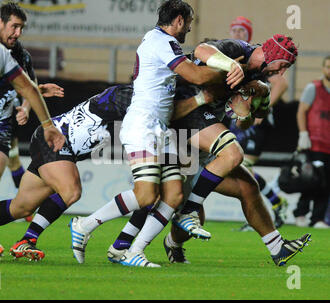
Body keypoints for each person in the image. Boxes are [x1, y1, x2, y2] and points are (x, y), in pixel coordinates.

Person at [107, 34, 312, 267]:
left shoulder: (258, 78)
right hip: (184, 119)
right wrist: (233, 65)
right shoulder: (237, 48)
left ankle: (276, 247)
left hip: (203, 132)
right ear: (271, 54)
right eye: (283, 65)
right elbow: (202, 49)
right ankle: (113, 238)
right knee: (229, 156)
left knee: (247, 187)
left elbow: (248, 120)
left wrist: (252, 106)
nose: (282, 73)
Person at [68, 0, 245, 268]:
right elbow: (195, 76)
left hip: (160, 129)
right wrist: (229, 68)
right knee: (146, 196)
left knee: (173, 196)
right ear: (177, 20)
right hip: (142, 125)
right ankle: (86, 224)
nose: (188, 30)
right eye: (187, 23)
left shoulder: (166, 43)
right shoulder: (158, 40)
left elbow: (193, 75)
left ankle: (133, 250)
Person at [0, 84, 213, 261]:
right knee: (71, 190)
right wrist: (199, 101)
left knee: (21, 207)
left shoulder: (143, 105)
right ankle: (35, 238)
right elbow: (156, 116)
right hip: (54, 140)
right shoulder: (128, 97)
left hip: (59, 146)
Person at [0, 0, 64, 281]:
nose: (18, 32)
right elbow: (28, 88)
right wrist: (48, 125)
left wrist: (31, 110)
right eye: (14, 25)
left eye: (21, 27)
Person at [228, 16, 289, 231]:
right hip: (239, 121)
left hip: (256, 123)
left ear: (249, 34)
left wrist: (264, 107)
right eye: (234, 30)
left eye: (241, 31)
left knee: (244, 167)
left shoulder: (256, 55)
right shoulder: (233, 57)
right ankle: (273, 204)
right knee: (240, 167)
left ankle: (265, 209)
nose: (237, 34)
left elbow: (281, 82)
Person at [293, 55, 330, 228]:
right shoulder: (313, 88)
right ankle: (301, 213)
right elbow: (301, 111)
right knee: (310, 180)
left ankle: (318, 219)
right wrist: (303, 134)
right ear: (323, 68)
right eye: (328, 67)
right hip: (314, 143)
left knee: (326, 184)